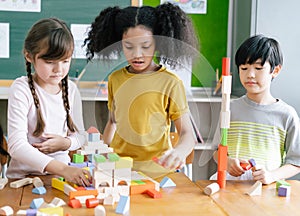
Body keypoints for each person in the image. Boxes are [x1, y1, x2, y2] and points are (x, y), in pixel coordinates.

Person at [84, 3, 198, 178]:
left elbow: (187, 133)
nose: (137, 54)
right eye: (128, 46)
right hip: (119, 170)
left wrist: (180, 151)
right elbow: (113, 122)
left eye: (145, 46)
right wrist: (102, 154)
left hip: (157, 173)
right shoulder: (115, 79)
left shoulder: (170, 82)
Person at [7, 18, 92, 186]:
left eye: (65, 61)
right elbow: (16, 146)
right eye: (50, 62)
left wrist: (65, 143)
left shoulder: (71, 90)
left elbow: (80, 136)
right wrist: (64, 169)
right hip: (23, 179)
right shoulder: (21, 89)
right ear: (29, 56)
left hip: (59, 178)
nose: (58, 69)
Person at [210, 35, 300, 184]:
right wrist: (226, 161)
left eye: (258, 68)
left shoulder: (286, 115)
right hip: (230, 188)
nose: (250, 74)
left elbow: (296, 161)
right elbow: (216, 151)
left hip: (266, 193)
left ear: (275, 70)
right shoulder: (229, 108)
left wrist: (272, 175)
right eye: (244, 68)